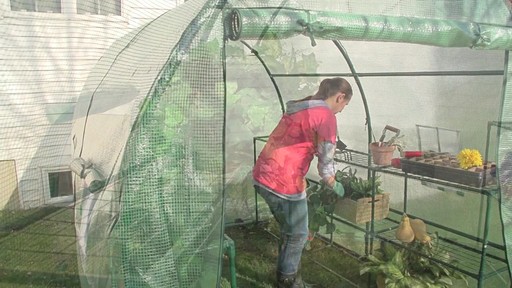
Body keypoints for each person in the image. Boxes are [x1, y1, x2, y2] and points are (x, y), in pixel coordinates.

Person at [252, 77, 353, 287]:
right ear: (340, 97)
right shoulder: (326, 116)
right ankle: (288, 282)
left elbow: (299, 138)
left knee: (291, 232)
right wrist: (334, 184)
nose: (342, 110)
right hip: (284, 182)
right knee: (298, 234)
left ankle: (290, 278)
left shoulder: (300, 106)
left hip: (263, 175)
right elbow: (325, 164)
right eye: (344, 105)